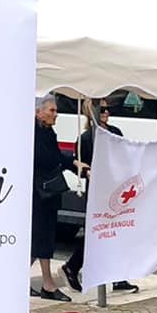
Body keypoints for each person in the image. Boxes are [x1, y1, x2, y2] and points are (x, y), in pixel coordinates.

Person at [63, 101, 137, 295]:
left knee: (115, 230)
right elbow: (81, 168)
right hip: (97, 192)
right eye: (101, 109)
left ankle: (117, 276)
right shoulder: (86, 139)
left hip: (115, 189)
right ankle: (73, 265)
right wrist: (88, 171)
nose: (106, 112)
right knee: (98, 232)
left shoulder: (115, 133)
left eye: (107, 109)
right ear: (93, 113)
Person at [30, 96, 69, 301]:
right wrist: (69, 162)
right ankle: (48, 284)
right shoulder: (35, 134)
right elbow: (48, 159)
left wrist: (75, 164)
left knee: (40, 240)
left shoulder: (47, 132)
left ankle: (41, 283)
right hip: (39, 194)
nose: (56, 114)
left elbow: (58, 158)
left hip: (47, 193)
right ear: (39, 112)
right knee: (41, 239)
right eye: (52, 111)